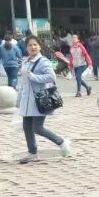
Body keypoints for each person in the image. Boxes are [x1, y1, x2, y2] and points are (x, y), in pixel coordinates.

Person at [17, 35, 72, 163]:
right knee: (27, 127)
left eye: (35, 44)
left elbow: (51, 77)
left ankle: (62, 142)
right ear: (26, 48)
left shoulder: (43, 61)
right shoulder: (25, 61)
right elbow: (23, 82)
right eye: (30, 45)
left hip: (39, 100)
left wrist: (34, 77)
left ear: (40, 46)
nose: (33, 47)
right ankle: (32, 153)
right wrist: (18, 99)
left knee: (37, 127)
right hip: (26, 100)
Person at [69, 33, 93, 97]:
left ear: (78, 39)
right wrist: (70, 65)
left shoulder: (81, 47)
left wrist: (89, 63)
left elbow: (86, 55)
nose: (73, 39)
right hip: (75, 65)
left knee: (78, 77)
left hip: (82, 65)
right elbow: (71, 57)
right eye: (72, 38)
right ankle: (88, 87)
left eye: (75, 37)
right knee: (78, 78)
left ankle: (78, 92)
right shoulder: (71, 47)